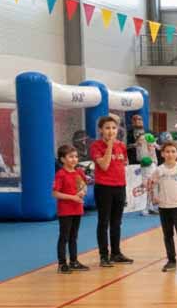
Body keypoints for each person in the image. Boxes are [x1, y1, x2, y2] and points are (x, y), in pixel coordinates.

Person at [90, 116, 133, 268]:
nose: (111, 131)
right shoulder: (96, 146)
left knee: (116, 222)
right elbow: (104, 165)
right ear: (101, 130)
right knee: (104, 222)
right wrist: (109, 146)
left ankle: (116, 253)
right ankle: (104, 255)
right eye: (107, 128)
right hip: (104, 188)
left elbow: (123, 164)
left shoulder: (121, 145)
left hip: (119, 187)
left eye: (114, 128)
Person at [147, 142, 177, 272]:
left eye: (173, 151)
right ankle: (171, 261)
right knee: (167, 235)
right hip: (164, 208)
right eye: (167, 151)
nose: (170, 154)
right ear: (162, 154)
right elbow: (151, 183)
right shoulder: (159, 170)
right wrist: (153, 196)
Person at [52, 144, 89, 274]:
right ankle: (62, 264)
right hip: (65, 211)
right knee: (64, 237)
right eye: (70, 157)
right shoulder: (60, 174)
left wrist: (83, 192)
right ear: (63, 159)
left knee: (74, 236)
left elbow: (84, 186)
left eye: (76, 157)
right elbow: (55, 193)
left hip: (77, 209)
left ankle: (74, 261)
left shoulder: (79, 172)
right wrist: (73, 198)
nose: (74, 159)